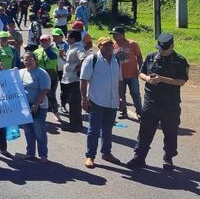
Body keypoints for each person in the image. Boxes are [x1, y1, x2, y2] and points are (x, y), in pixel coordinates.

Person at [127, 33, 189, 171]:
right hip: (151, 101)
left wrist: (162, 79)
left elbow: (182, 81)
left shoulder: (179, 61)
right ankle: (139, 157)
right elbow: (140, 73)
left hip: (170, 103)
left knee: (171, 132)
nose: (161, 51)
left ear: (172, 46)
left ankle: (168, 158)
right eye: (160, 48)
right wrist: (148, 79)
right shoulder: (151, 57)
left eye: (164, 49)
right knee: (145, 131)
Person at [81, 37, 123, 169]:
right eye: (105, 45)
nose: (109, 47)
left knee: (107, 130)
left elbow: (120, 81)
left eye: (111, 44)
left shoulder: (116, 60)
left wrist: (122, 98)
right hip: (96, 101)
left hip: (112, 102)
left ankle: (106, 153)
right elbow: (83, 80)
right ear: (99, 46)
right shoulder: (92, 60)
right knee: (93, 130)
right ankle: (90, 156)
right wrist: (84, 98)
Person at [19, 52, 51, 163]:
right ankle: (30, 153)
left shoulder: (42, 73)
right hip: (25, 107)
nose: (27, 62)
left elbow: (44, 90)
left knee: (39, 131)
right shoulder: (20, 72)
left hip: (38, 107)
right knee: (28, 131)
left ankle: (43, 155)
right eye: (25, 60)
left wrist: (36, 104)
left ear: (35, 60)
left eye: (30, 59)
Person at [110, 26, 143, 120]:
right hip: (119, 75)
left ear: (122, 34)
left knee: (135, 93)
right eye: (113, 35)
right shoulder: (112, 45)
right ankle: (123, 110)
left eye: (116, 34)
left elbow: (139, 57)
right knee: (121, 94)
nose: (114, 37)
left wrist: (140, 68)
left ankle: (139, 111)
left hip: (132, 74)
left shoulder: (132, 44)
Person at [60, 31, 86, 132]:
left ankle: (75, 125)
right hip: (69, 79)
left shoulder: (78, 48)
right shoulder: (72, 47)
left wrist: (79, 67)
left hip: (74, 79)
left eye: (68, 37)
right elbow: (69, 61)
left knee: (74, 103)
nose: (66, 39)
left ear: (73, 39)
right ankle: (74, 124)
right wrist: (62, 56)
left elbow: (83, 58)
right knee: (71, 102)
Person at [35, 34, 62, 122]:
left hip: (51, 75)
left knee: (51, 95)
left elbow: (53, 57)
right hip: (40, 75)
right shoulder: (37, 51)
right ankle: (39, 114)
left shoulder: (54, 49)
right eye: (42, 41)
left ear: (50, 41)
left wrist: (47, 49)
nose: (44, 43)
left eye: (46, 41)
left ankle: (56, 113)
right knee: (40, 95)